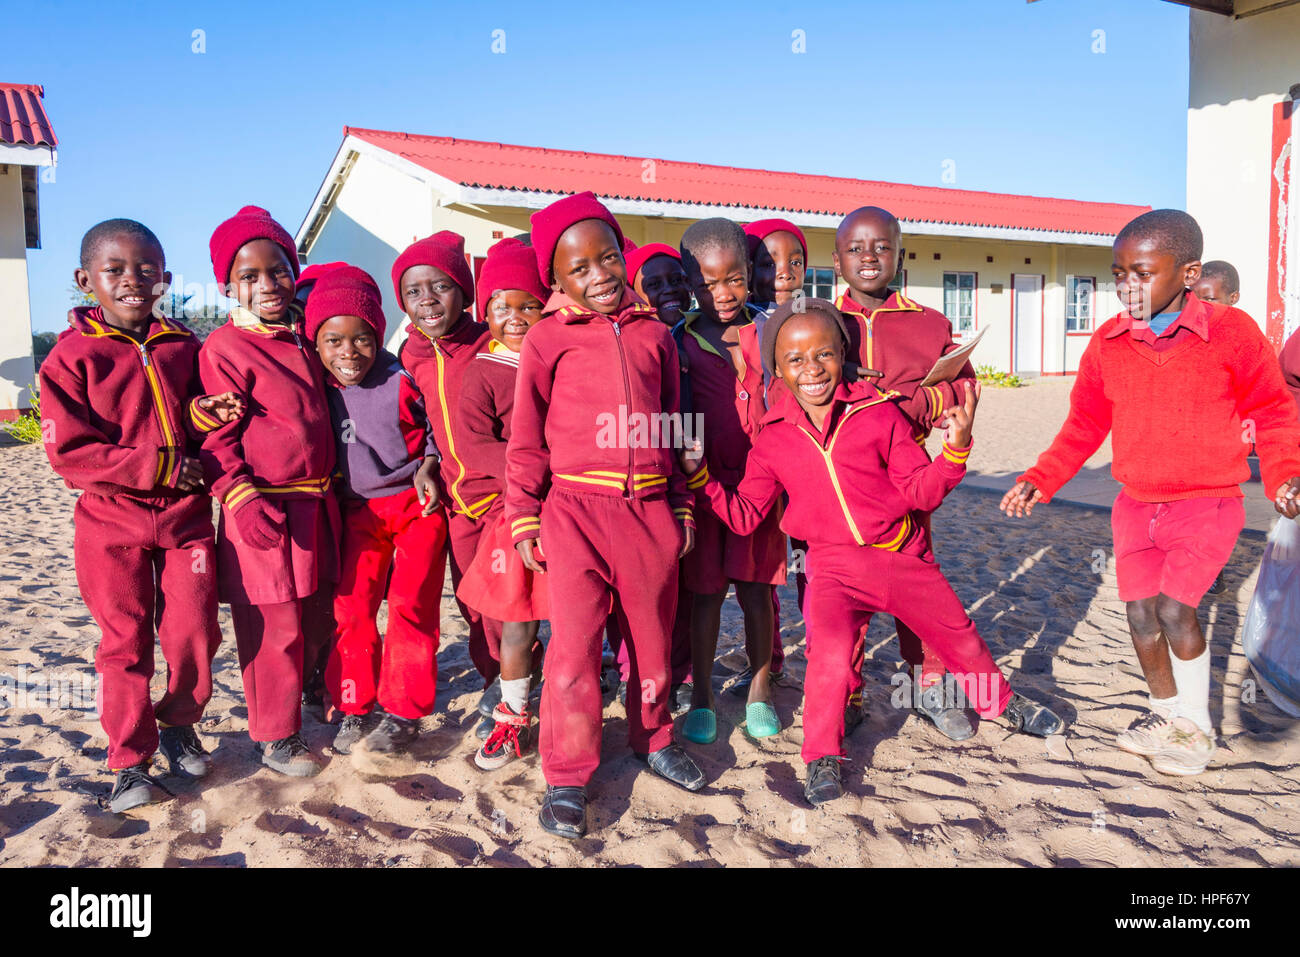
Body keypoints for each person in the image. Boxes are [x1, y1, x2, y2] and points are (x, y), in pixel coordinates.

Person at [682, 298, 1062, 804]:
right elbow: (746, 514)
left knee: (960, 638)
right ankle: (820, 758)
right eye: (795, 360)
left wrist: (955, 449)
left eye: (824, 355)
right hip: (833, 570)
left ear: (842, 354)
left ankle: (1000, 704)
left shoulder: (877, 413)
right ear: (778, 368)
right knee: (829, 661)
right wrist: (701, 479)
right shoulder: (773, 439)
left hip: (901, 557)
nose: (812, 369)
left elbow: (920, 492)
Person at [1002, 209, 1300, 776]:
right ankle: (1164, 711)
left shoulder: (1232, 334)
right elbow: (1083, 425)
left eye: (1141, 272)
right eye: (1118, 273)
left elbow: (1273, 410)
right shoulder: (1110, 342)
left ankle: (1196, 729)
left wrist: (1286, 472)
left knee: (1174, 608)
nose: (1126, 286)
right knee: (1140, 616)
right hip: (1135, 504)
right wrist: (1040, 478)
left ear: (1188, 274)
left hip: (1208, 501)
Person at [506, 191, 705, 838]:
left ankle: (655, 736)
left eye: (609, 257)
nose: (600, 275)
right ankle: (567, 773)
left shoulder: (654, 334)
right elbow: (526, 438)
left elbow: (675, 426)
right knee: (572, 647)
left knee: (652, 641)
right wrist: (525, 516)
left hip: (648, 510)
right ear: (556, 280)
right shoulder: (544, 339)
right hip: (573, 513)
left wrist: (679, 504)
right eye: (580, 268)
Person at [42, 219, 242, 811]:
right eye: (116, 270)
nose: (133, 280)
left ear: (165, 279)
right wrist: (157, 467)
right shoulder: (70, 359)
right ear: (86, 280)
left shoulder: (186, 347)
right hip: (110, 524)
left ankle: (180, 724)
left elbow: (196, 419)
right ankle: (130, 760)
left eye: (147, 270)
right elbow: (70, 452)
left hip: (185, 520)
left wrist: (206, 415)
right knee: (125, 642)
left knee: (195, 632)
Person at [199, 205, 339, 776]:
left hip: (316, 503)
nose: (267, 285)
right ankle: (274, 735)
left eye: (278, 270)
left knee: (316, 614)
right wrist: (238, 493)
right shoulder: (225, 349)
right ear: (228, 285)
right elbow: (213, 435)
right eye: (249, 276)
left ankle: (310, 694)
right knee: (271, 622)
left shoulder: (308, 338)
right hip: (261, 506)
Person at [831, 205, 979, 740]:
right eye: (856, 248)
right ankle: (844, 692)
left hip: (908, 478)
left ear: (900, 253)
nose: (868, 257)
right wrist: (843, 378)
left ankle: (929, 685)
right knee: (842, 594)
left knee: (918, 585)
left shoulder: (928, 323)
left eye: (881, 247)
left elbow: (967, 386)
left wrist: (922, 402)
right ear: (837, 258)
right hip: (840, 483)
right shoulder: (823, 324)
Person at [308, 266, 448, 756]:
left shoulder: (403, 374)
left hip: (415, 505)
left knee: (411, 605)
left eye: (362, 338)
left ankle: (404, 710)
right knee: (352, 608)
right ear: (317, 343)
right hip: (357, 513)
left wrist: (429, 464)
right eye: (333, 341)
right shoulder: (317, 386)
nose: (349, 353)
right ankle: (352, 703)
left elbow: (437, 425)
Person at [675, 218, 786, 744]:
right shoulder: (678, 341)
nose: (722, 293)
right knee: (705, 594)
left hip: (764, 482)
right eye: (707, 283)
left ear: (748, 273)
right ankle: (702, 697)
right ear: (688, 281)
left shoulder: (772, 329)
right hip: (702, 483)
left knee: (757, 590)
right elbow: (669, 410)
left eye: (734, 278)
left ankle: (760, 689)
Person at [393, 232, 504, 735]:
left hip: (504, 495)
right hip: (457, 501)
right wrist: (430, 462)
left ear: (465, 291)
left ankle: (512, 683)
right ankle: (491, 679)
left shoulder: (493, 344)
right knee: (471, 601)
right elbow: (430, 423)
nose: (427, 301)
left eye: (440, 286)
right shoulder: (410, 355)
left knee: (506, 600)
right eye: (414, 292)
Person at [455, 237, 550, 769]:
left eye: (527, 305)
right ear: (483, 313)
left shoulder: (559, 357)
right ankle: (512, 720)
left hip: (573, 505)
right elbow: (473, 445)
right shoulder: (484, 370)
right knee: (518, 621)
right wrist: (537, 463)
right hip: (516, 509)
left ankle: (565, 710)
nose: (514, 317)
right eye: (499, 306)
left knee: (577, 620)